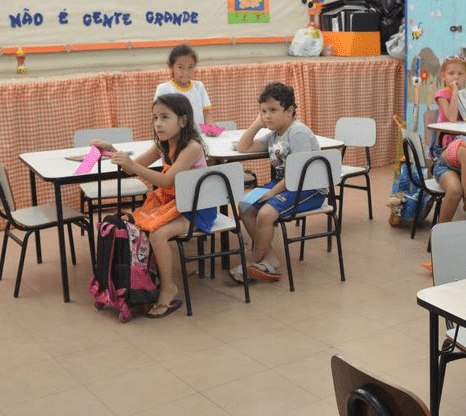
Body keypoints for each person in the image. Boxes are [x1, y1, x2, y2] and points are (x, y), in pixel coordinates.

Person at [89, 93, 215, 318]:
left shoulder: (192, 148)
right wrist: (111, 149)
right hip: (174, 203)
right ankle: (145, 281)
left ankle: (168, 289)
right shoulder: (163, 145)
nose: (158, 123)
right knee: (137, 225)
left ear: (183, 120)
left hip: (197, 208)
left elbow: (167, 180)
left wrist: (132, 166)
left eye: (165, 117)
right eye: (155, 118)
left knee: (157, 234)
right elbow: (132, 166)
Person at [229, 82, 324, 283]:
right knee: (245, 206)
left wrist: (271, 194)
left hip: (309, 188)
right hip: (285, 183)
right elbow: (243, 147)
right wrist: (257, 123)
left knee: (265, 213)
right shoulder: (273, 134)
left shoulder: (297, 133)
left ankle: (253, 261)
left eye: (273, 110)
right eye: (263, 111)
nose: (267, 116)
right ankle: (269, 257)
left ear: (289, 111)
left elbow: (297, 177)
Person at [154, 43, 213, 127]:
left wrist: (211, 129)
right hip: (174, 138)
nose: (186, 72)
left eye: (190, 67)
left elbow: (207, 113)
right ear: (171, 67)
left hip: (198, 137)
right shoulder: (163, 89)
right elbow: (158, 117)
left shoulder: (199, 86)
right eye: (181, 67)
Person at [433, 54, 466, 152]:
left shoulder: (465, 94)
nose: (456, 77)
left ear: (465, 76)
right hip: (447, 140)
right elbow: (452, 118)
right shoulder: (442, 95)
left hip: (464, 134)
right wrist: (454, 92)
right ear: (443, 75)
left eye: (460, 74)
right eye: (451, 73)